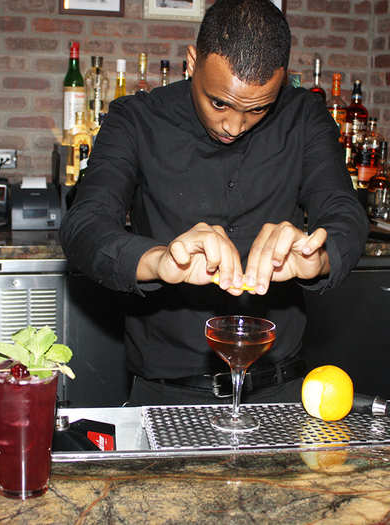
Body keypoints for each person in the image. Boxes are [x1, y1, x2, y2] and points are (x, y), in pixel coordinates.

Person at [60, 0, 368, 406]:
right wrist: (157, 260)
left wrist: (320, 257)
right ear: (192, 62)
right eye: (219, 103)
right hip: (166, 392)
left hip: (280, 390)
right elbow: (84, 225)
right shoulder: (136, 120)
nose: (234, 125)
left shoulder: (304, 117)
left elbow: (346, 214)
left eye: (258, 109)